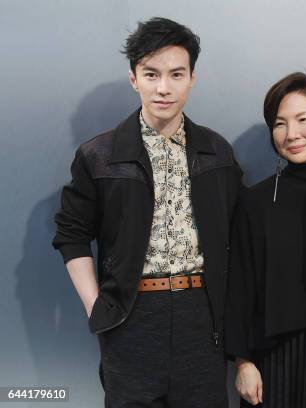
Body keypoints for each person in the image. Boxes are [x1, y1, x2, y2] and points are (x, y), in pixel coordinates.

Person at [52, 17, 243, 407]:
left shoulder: (217, 153)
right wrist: (97, 307)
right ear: (133, 78)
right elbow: (71, 234)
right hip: (131, 315)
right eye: (151, 74)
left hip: (201, 316)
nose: (163, 88)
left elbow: (237, 239)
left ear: (192, 78)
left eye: (176, 74)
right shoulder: (98, 156)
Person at [224, 72, 306, 407]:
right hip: (273, 361)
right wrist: (243, 361)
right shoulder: (255, 202)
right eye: (280, 123)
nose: (292, 134)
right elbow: (239, 288)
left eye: (303, 119)